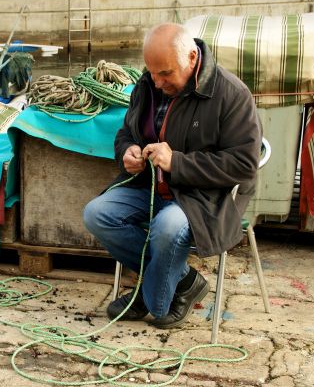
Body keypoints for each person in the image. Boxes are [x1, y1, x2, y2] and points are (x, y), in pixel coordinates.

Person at [83, 23, 261, 329]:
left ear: (192, 58)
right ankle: (184, 281)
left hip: (202, 197)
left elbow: (244, 165)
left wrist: (176, 163)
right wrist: (128, 152)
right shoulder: (148, 83)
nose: (157, 80)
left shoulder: (232, 93)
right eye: (152, 72)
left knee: (167, 227)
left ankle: (149, 294)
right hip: (149, 186)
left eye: (165, 73)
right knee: (97, 214)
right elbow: (126, 133)